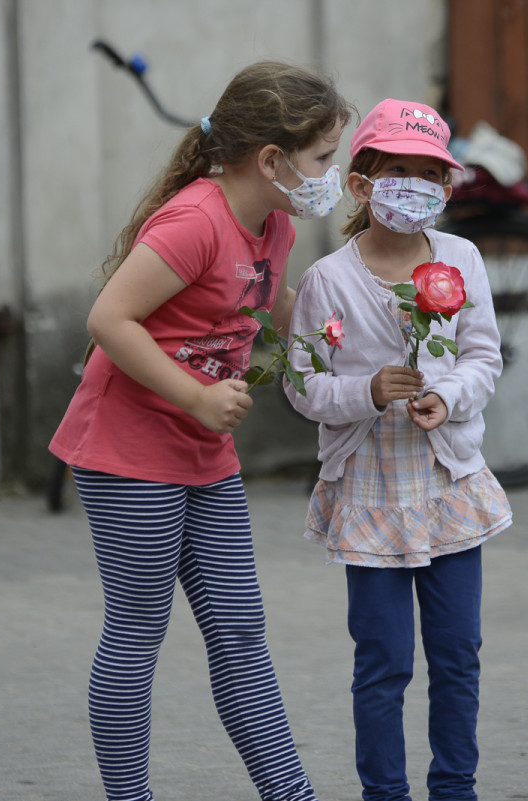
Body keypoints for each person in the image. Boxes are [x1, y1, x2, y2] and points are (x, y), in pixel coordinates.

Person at [49, 61, 353, 801]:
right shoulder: (194, 221)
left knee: (242, 633)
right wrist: (194, 395)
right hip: (126, 452)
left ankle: (292, 794)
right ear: (272, 160)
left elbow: (269, 301)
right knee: (137, 632)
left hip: (202, 452)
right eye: (321, 160)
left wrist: (347, 329)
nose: (330, 175)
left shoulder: (274, 222)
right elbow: (107, 320)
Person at [283, 98, 513, 801]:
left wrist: (449, 396)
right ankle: (384, 792)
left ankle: (455, 787)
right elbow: (302, 384)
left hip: (447, 487)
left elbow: (483, 356)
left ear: (447, 188)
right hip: (370, 494)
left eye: (430, 174)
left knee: (457, 655)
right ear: (361, 183)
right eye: (399, 171)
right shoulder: (328, 279)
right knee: (382, 661)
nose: (416, 186)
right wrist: (369, 391)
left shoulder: (461, 259)